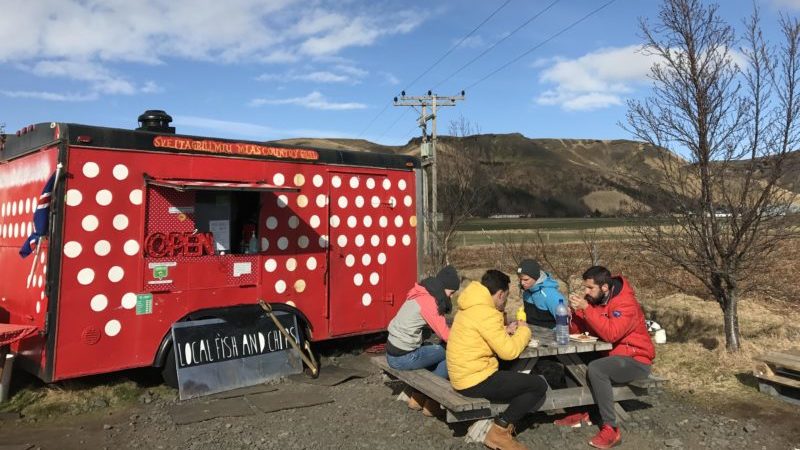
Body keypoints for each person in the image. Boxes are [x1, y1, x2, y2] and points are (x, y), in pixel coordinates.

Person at [554, 266, 655, 449]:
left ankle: (611, 428)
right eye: (585, 287)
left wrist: (586, 309)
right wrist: (573, 315)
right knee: (571, 355)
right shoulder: (594, 298)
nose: (586, 292)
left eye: (590, 288)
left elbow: (611, 334)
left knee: (597, 369)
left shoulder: (626, 304)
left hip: (635, 359)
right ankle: (580, 411)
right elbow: (578, 332)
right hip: (610, 355)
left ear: (605, 287)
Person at [447, 270, 548, 450]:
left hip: (461, 374)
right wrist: (524, 330)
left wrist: (503, 330)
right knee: (538, 385)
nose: (505, 302)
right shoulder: (487, 313)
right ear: (500, 294)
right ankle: (499, 431)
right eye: (506, 297)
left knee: (510, 369)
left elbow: (482, 334)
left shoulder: (469, 307)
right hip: (474, 380)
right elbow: (509, 352)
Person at [386, 265, 461, 417]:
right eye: (451, 292)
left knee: (436, 349)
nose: (451, 297)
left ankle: (418, 397)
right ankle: (430, 401)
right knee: (450, 352)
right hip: (403, 358)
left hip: (392, 352)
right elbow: (448, 336)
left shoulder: (421, 292)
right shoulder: (430, 303)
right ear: (444, 287)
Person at [516, 259, 565, 327]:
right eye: (520, 279)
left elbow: (563, 323)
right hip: (530, 334)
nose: (522, 283)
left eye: (526, 279)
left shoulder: (551, 295)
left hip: (550, 336)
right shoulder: (527, 292)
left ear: (536, 277)